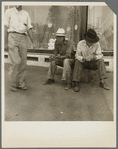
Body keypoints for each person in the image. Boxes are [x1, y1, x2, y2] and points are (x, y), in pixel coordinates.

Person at [4, 5, 34, 91]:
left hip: (23, 37)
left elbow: (29, 28)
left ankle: (21, 82)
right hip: (12, 36)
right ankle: (13, 83)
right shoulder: (9, 12)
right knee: (16, 62)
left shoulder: (26, 14)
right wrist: (5, 42)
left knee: (23, 62)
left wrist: (33, 41)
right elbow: (5, 27)